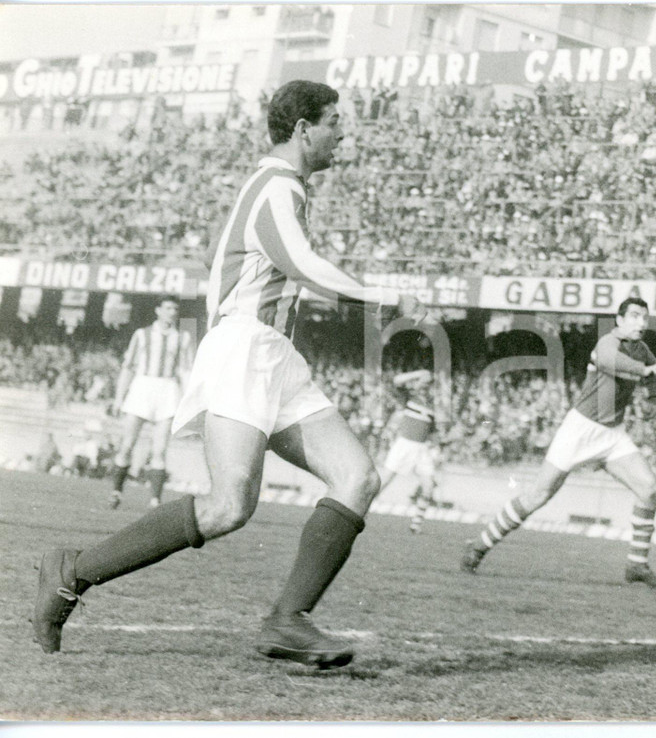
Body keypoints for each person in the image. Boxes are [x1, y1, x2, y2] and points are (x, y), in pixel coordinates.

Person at [32, 80, 425, 669]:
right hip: (245, 345)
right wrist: (383, 296)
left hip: (275, 354)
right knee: (228, 506)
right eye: (335, 121)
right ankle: (73, 571)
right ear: (304, 129)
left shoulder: (286, 188)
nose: (343, 133)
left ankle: (287, 619)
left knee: (357, 477)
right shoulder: (275, 186)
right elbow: (302, 265)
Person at [461, 297, 656, 587]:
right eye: (634, 316)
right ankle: (478, 546)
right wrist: (645, 371)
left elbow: (653, 373)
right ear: (619, 320)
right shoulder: (608, 343)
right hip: (580, 429)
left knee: (649, 488)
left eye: (644, 317)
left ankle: (636, 565)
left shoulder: (641, 350)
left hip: (612, 434)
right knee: (538, 495)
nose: (641, 322)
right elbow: (612, 362)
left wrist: (653, 399)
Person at [107, 295, 194, 509]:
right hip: (143, 387)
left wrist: (188, 401)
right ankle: (116, 492)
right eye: (168, 308)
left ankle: (155, 500)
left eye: (175, 309)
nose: (172, 312)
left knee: (160, 449)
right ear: (158, 310)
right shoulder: (142, 334)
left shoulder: (183, 337)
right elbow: (128, 367)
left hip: (168, 390)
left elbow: (186, 371)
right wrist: (119, 398)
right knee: (127, 444)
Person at [379, 369, 439, 534]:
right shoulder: (409, 396)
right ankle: (361, 511)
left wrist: (437, 447)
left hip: (422, 448)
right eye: (422, 382)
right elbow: (396, 380)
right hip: (404, 444)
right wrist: (419, 373)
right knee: (385, 480)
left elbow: (432, 431)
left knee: (428, 486)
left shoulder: (432, 405)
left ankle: (416, 525)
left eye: (428, 383)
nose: (424, 385)